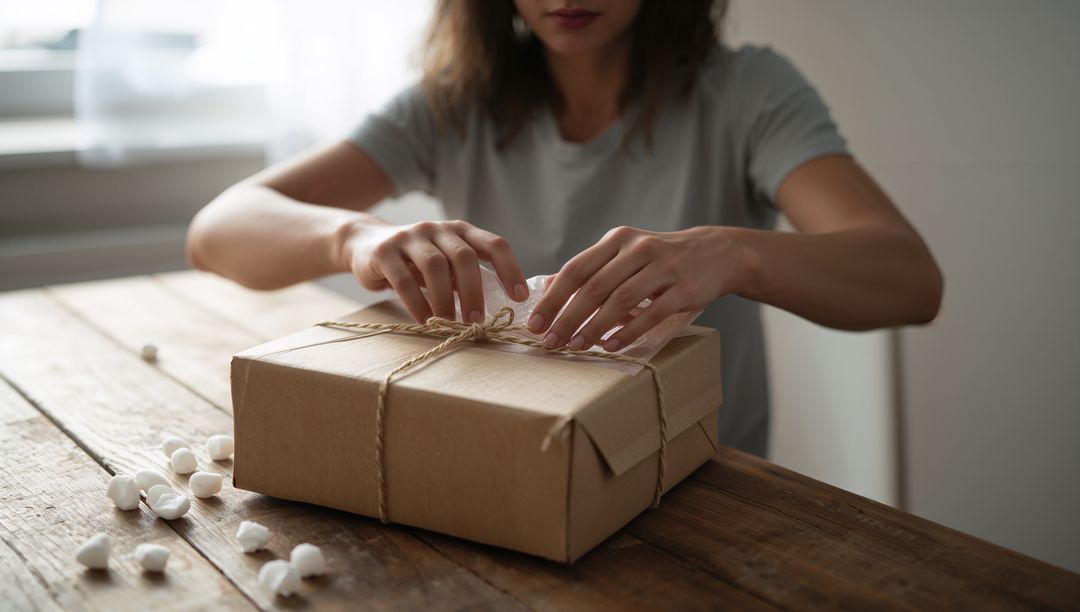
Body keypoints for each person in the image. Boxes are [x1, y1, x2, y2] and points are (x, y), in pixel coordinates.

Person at [186, 0, 943, 457]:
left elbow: (910, 280)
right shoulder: (453, 103)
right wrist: (353, 238)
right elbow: (217, 232)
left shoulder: (746, 90)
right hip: (485, 469)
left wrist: (734, 253)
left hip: (689, 490)